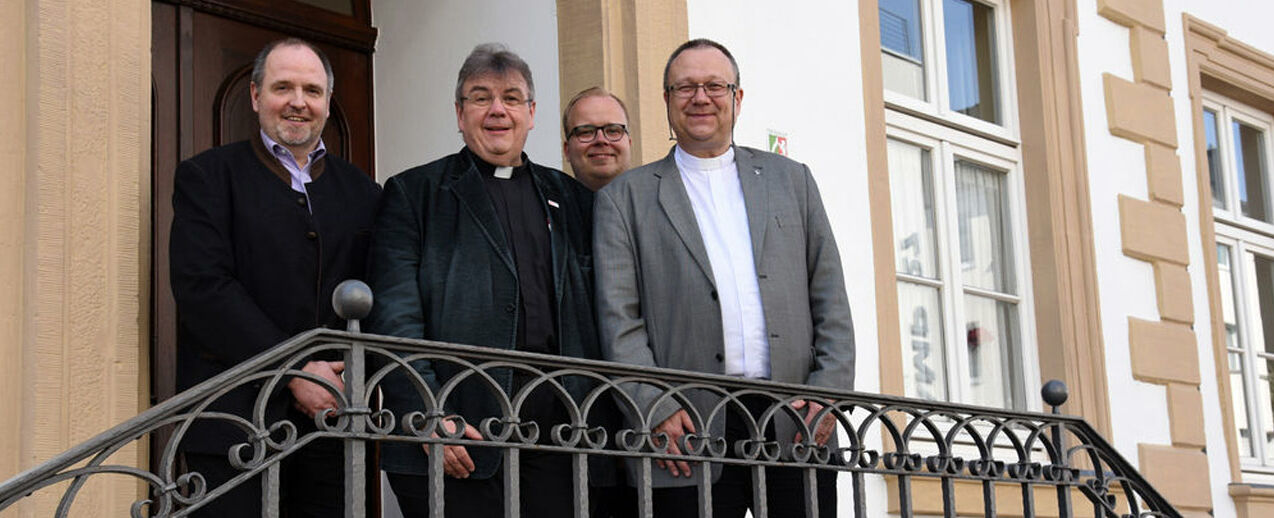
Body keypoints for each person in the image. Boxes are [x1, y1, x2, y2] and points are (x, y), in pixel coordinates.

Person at [593, 38, 855, 517]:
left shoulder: (791, 180)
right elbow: (619, 319)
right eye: (685, 87)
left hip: (795, 421)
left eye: (715, 85)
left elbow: (830, 296)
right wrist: (653, 404)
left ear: (737, 97)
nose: (700, 97)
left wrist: (828, 395)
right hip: (685, 428)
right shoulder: (624, 199)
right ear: (667, 100)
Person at [366, 43, 605, 517]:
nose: (498, 110)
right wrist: (427, 413)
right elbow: (394, 316)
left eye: (512, 98)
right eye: (480, 97)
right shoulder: (415, 194)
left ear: (532, 113)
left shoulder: (575, 200)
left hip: (558, 437)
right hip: (456, 435)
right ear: (459, 113)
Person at [169, 38, 381, 517]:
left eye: (312, 89)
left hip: (333, 425)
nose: (298, 102)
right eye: (283, 87)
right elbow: (204, 288)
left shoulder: (365, 192)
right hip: (232, 427)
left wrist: (337, 382)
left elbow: (380, 294)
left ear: (327, 102)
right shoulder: (207, 177)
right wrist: (296, 369)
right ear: (255, 96)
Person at [562, 86, 633, 190]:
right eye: (586, 132)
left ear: (629, 144)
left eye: (613, 131)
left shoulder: (657, 204)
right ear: (567, 150)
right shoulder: (543, 205)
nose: (601, 140)